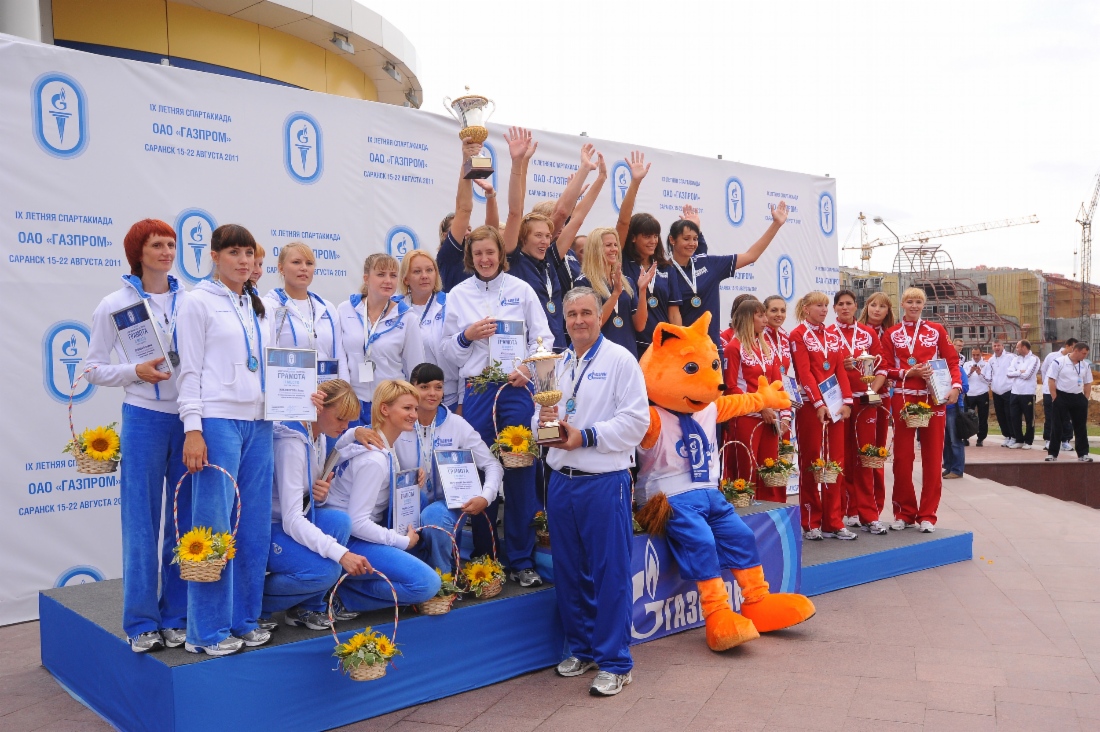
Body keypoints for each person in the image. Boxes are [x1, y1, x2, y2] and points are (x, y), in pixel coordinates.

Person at [535, 287, 650, 696]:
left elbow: (637, 422)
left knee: (609, 572)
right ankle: (582, 648)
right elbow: (541, 422)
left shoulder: (620, 359)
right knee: (569, 570)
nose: (579, 320)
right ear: (563, 320)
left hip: (603, 482)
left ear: (598, 316)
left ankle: (616, 662)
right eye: (572, 314)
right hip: (561, 482)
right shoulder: (556, 365)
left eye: (586, 312)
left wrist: (584, 436)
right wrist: (545, 425)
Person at [85, 219, 190, 653]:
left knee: (185, 521)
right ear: (137, 251)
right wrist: (134, 371)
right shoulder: (114, 303)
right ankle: (142, 621)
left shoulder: (193, 299)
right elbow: (91, 368)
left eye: (171, 244)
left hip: (189, 420)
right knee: (142, 523)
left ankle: (179, 615)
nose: (167, 251)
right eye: (157, 245)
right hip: (144, 416)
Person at [177, 223, 274, 656]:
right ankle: (206, 630)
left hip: (261, 421)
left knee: (252, 524)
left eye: (248, 253)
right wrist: (193, 428)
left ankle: (243, 619)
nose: (243, 260)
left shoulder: (255, 304)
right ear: (214, 256)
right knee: (214, 526)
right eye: (234, 252)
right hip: (217, 420)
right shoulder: (196, 302)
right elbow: (190, 371)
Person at [441, 225, 553, 587]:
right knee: (480, 470)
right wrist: (466, 336)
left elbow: (544, 337)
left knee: (519, 473)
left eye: (490, 253)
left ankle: (520, 559)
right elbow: (447, 351)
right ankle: (486, 558)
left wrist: (526, 366)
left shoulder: (521, 289)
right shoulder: (457, 294)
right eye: (478, 255)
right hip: (477, 390)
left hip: (515, 387)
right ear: (469, 258)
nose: (485, 260)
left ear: (501, 255)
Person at [261, 380, 371, 630]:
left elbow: (303, 493)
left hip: (288, 521)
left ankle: (306, 608)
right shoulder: (290, 443)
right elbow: (291, 519)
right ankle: (256, 603)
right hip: (271, 529)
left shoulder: (317, 434)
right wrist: (342, 554)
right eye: (341, 419)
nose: (344, 427)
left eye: (349, 422)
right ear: (319, 408)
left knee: (341, 522)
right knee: (327, 571)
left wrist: (314, 494)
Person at [325, 380, 441, 612]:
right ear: (385, 410)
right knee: (426, 585)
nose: (414, 415)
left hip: (355, 533)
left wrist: (407, 479)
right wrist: (401, 541)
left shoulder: (382, 444)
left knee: (420, 507)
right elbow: (357, 522)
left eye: (415, 409)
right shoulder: (374, 458)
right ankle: (342, 596)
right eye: (407, 408)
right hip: (345, 539)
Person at [392, 363, 503, 573]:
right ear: (412, 388)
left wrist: (485, 497)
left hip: (446, 508)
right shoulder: (401, 424)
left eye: (438, 387)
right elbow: (370, 437)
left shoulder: (457, 424)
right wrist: (357, 433)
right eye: (424, 387)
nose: (432, 393)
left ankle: (444, 582)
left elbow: (492, 464)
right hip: (408, 505)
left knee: (433, 516)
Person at [503, 129, 602, 352]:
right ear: (523, 237)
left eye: (548, 236)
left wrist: (590, 172)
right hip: (527, 352)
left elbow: (574, 217)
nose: (545, 241)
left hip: (557, 349)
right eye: (538, 236)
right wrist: (519, 164)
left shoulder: (549, 258)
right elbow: (515, 211)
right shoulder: (514, 259)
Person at [877, 287, 962, 533]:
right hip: (903, 399)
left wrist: (955, 386)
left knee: (933, 458)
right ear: (902, 304)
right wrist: (908, 372)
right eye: (910, 301)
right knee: (902, 458)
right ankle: (904, 512)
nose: (914, 305)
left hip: (932, 399)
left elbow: (952, 361)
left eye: (918, 302)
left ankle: (928, 515)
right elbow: (884, 369)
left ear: (923, 305)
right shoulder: (892, 334)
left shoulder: (936, 331)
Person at [667, 202, 788, 347]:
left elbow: (751, 256)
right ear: (672, 240)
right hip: (683, 349)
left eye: (695, 239)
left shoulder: (708, 264)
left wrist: (776, 224)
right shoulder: (664, 271)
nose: (692, 243)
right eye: (686, 239)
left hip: (711, 349)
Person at [789, 291, 855, 540]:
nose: (824, 310)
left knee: (835, 462)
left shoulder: (833, 335)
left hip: (835, 405)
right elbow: (804, 373)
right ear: (806, 309)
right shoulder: (798, 335)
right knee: (812, 461)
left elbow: (839, 370)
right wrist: (817, 403)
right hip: (811, 406)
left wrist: (847, 401)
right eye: (819, 305)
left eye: (826, 306)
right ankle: (810, 521)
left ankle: (834, 521)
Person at [338, 253, 425, 426]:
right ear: (366, 278)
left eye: (393, 276)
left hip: (391, 405)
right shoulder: (345, 310)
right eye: (381, 274)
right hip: (354, 403)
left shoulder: (407, 317)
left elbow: (417, 368)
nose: (388, 280)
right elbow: (340, 357)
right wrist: (344, 396)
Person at [830, 290, 887, 534]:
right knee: (839, 458)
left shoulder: (868, 333)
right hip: (839, 403)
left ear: (856, 306)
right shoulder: (828, 334)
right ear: (834, 308)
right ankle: (841, 512)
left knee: (865, 458)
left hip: (863, 403)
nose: (845, 308)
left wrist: (871, 392)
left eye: (849, 304)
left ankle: (868, 514)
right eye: (840, 304)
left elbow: (882, 366)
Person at [617, 153, 684, 354]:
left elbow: (674, 313)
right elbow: (623, 222)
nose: (653, 241)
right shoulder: (623, 262)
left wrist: (678, 342)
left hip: (662, 347)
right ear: (633, 237)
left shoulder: (665, 267)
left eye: (655, 236)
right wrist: (635, 183)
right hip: (632, 345)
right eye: (647, 236)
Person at [722, 300, 783, 499]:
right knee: (748, 471)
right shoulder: (733, 347)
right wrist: (760, 407)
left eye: (765, 315)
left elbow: (777, 383)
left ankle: (770, 519)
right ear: (748, 319)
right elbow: (731, 387)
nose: (766, 320)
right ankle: (747, 519)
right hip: (746, 417)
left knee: (769, 468)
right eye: (760, 316)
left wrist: (782, 413)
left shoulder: (767, 347)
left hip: (770, 417)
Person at [263, 241, 347, 384]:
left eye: (309, 263)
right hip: (290, 392)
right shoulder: (270, 306)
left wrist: (344, 391)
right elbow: (267, 356)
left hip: (327, 393)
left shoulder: (327, 308)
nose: (304, 268)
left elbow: (339, 354)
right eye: (296, 262)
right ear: (281, 268)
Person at [399, 250, 460, 409]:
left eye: (429, 270)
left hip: (448, 397)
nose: (424, 276)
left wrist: (461, 400)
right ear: (406, 279)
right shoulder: (395, 309)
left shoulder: (451, 303)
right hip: (408, 399)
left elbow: (463, 355)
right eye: (417, 271)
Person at [437, 137, 498, 292]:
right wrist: (466, 161)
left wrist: (490, 195)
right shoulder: (448, 256)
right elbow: (463, 210)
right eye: (461, 227)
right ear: (445, 236)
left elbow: (492, 232)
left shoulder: (477, 257)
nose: (467, 231)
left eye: (469, 228)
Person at [575, 227, 645, 358]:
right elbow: (594, 323)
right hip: (600, 355)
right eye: (608, 245)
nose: (614, 249)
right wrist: (615, 294)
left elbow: (640, 326)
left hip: (628, 353)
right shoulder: (583, 283)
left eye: (615, 245)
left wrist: (643, 290)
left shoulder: (627, 281)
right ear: (595, 250)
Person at [857, 291, 895, 516]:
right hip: (858, 396)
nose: (877, 309)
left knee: (877, 452)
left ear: (889, 311)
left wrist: (877, 388)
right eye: (873, 305)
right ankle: (854, 505)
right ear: (866, 307)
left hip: (882, 397)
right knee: (858, 451)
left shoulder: (892, 335)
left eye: (882, 306)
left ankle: (876, 506)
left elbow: (891, 365)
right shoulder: (856, 331)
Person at [1045, 342, 1094, 462]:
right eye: (1083, 353)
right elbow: (1051, 380)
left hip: (1078, 397)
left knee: (1080, 426)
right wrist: (1055, 397)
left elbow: (1088, 382)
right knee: (1057, 425)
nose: (1085, 356)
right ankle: (1052, 454)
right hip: (1062, 396)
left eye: (1086, 354)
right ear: (1076, 351)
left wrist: (1085, 398)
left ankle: (1083, 453)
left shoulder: (1085, 365)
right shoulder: (1059, 362)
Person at [1041, 338, 1077, 451]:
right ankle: (1049, 440)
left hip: (1065, 392)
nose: (1074, 350)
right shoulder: (1052, 356)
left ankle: (1065, 440)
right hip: (1049, 391)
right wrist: (1047, 384)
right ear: (1067, 346)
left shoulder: (1075, 360)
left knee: (1066, 417)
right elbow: (1044, 370)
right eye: (1073, 347)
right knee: (1050, 416)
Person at [1006, 339, 1040, 449]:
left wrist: (1017, 373)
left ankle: (1028, 441)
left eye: (1018, 347)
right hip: (1015, 392)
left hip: (1028, 393)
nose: (1016, 349)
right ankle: (1019, 439)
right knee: (1014, 417)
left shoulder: (1034, 359)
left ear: (1024, 347)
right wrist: (1020, 372)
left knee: (1029, 418)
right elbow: (1008, 374)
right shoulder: (1016, 359)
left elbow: (1028, 375)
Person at [943, 363, 969, 479]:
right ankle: (948, 467)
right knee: (946, 441)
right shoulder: (940, 369)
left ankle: (957, 470)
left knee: (955, 440)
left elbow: (966, 387)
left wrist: (953, 389)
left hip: (954, 408)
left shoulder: (958, 369)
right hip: (941, 408)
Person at [962, 346, 992, 447]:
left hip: (982, 393)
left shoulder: (986, 365)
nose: (975, 357)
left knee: (983, 417)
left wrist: (980, 373)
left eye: (977, 355)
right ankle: (965, 437)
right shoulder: (967, 364)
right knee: (966, 416)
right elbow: (963, 378)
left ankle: (981, 438)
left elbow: (989, 380)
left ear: (981, 354)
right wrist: (970, 372)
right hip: (969, 394)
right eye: (974, 355)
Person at [988, 339, 1015, 447]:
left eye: (999, 345)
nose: (997, 348)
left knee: (1009, 414)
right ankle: (1007, 436)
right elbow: (989, 374)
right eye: (995, 346)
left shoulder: (1011, 357)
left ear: (1003, 346)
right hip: (996, 391)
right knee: (1000, 415)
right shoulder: (991, 360)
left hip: (1008, 389)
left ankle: (1013, 436)